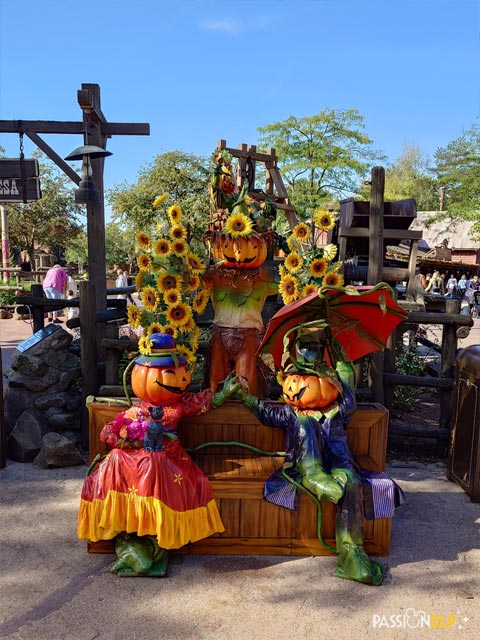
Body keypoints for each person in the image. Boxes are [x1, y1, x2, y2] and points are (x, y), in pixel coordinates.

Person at [234, 326, 386, 585]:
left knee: (350, 482)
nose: (297, 389)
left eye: (310, 382)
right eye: (293, 382)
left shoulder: (339, 409)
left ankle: (351, 553)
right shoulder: (292, 414)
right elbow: (266, 413)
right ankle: (312, 473)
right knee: (304, 424)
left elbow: (347, 381)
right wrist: (242, 395)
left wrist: (335, 348)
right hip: (300, 468)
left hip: (339, 463)